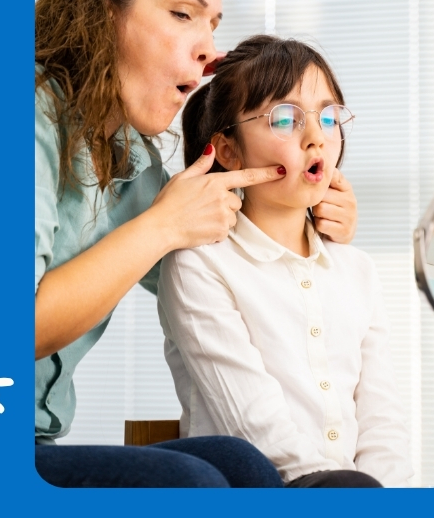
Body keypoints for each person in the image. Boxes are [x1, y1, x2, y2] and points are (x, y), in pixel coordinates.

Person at [35, 0, 358, 487]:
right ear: (101, 12)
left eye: (213, 25)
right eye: (184, 14)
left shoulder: (134, 170)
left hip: (36, 441)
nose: (210, 52)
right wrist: (162, 226)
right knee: (194, 482)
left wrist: (309, 225)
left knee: (243, 464)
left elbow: (232, 271)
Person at [157, 35, 413, 488]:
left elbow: (382, 419)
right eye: (285, 119)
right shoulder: (200, 264)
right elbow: (253, 424)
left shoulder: (357, 270)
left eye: (329, 116)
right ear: (229, 151)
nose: (316, 136)